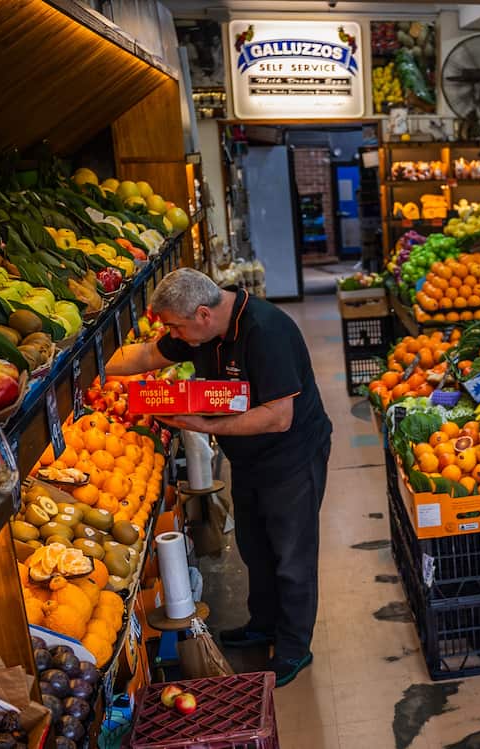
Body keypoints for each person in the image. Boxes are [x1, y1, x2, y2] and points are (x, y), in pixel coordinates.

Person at [107, 268, 332, 685]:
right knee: (254, 547)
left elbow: (278, 418)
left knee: (291, 556)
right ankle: (263, 622)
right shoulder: (198, 327)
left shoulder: (266, 332)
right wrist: (86, 365)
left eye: (176, 325)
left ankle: (294, 648)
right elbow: (145, 357)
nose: (174, 334)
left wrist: (204, 426)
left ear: (204, 315)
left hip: (290, 457)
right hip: (247, 457)